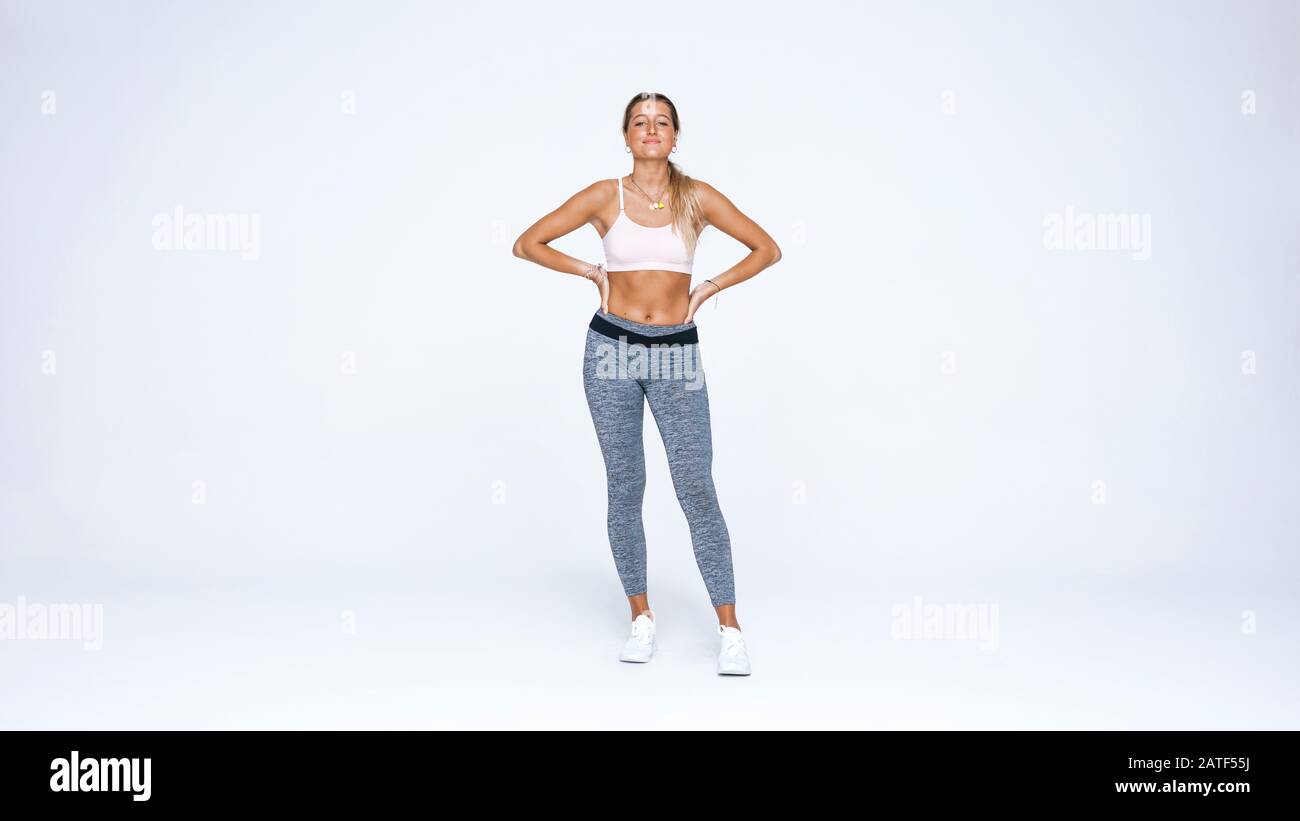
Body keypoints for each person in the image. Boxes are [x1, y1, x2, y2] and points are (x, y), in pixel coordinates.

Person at [512, 92, 782, 675]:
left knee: (695, 485)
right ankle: (641, 616)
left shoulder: (696, 197)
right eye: (640, 122)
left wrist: (707, 288)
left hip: (676, 353)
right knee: (626, 484)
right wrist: (590, 271)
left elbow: (768, 249)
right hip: (611, 349)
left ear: (675, 135)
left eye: (662, 122)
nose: (651, 129)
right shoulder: (604, 196)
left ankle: (730, 629)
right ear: (627, 135)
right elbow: (527, 243)